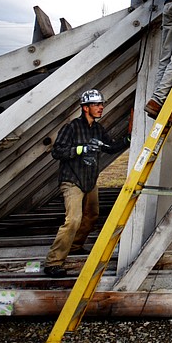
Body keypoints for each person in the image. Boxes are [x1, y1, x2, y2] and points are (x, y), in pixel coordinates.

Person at [43, 89, 129, 277]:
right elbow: (57, 152)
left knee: (92, 215)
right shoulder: (71, 128)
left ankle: (75, 246)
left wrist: (128, 139)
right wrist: (82, 148)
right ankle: (53, 262)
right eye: (97, 105)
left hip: (89, 180)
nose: (101, 108)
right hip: (72, 179)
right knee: (73, 220)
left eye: (101, 104)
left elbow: (110, 147)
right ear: (85, 108)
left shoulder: (98, 129)